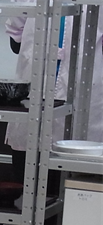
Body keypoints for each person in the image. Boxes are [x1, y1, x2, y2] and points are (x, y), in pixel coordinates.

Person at [5, 10, 103, 183]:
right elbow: (16, 40)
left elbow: (15, 40)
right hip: (34, 99)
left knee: (80, 191)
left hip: (84, 102)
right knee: (27, 189)